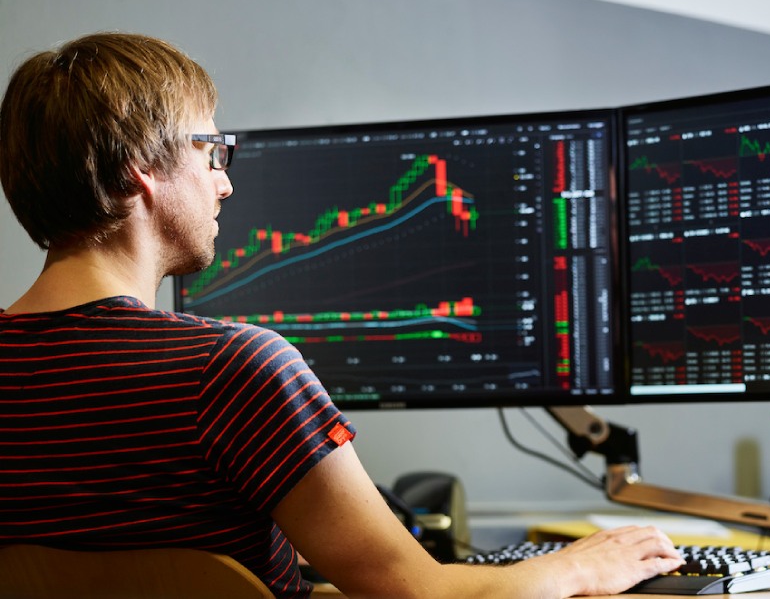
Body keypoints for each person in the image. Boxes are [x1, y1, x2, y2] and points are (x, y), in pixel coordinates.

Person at [0, 32, 683, 599]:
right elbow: (415, 593)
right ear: (140, 168)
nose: (225, 180)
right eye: (211, 151)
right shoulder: (233, 370)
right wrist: (579, 565)